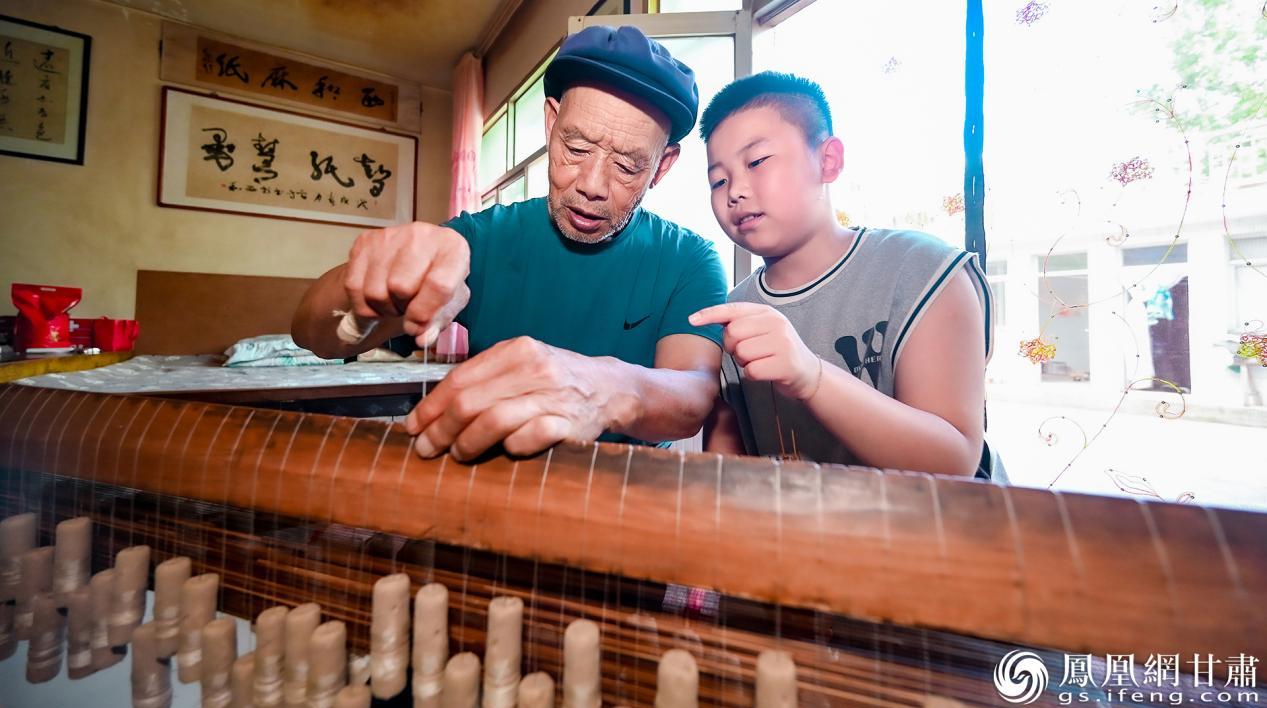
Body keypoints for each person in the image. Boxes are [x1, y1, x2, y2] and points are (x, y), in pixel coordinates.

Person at [292, 26, 727, 461]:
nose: (593, 186)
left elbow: (692, 397)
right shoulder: (481, 239)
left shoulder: (688, 259)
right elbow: (317, 336)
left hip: (624, 500)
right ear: (551, 122)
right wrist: (374, 283)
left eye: (628, 166)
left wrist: (604, 385)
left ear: (662, 166)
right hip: (492, 491)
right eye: (575, 149)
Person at [689, 72, 996, 478]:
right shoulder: (734, 313)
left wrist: (811, 375)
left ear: (828, 160)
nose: (735, 191)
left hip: (940, 535)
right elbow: (726, 475)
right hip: (802, 539)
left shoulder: (923, 270)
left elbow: (954, 462)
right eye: (719, 180)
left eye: (757, 161)